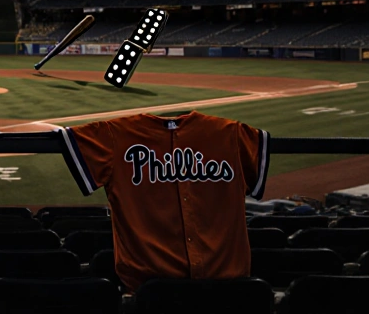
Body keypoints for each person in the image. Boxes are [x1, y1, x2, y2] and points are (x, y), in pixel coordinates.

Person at [56, 110, 269, 292]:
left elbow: (62, 136)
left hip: (157, 293)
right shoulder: (116, 136)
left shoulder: (233, 135)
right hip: (229, 292)